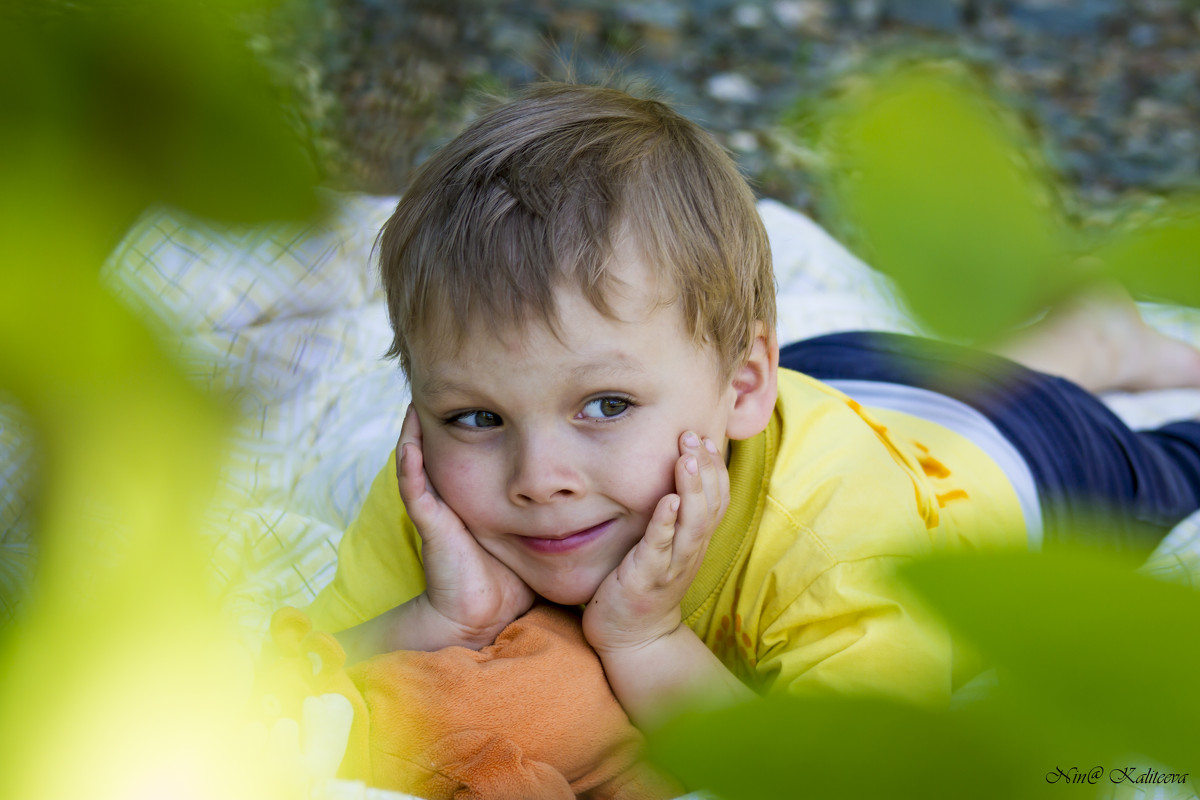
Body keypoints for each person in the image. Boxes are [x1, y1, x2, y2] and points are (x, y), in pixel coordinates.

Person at [306, 82, 1200, 727]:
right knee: (939, 376)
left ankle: (1085, 361)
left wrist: (649, 641)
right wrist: (435, 621)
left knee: (1164, 462)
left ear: (742, 386)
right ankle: (1089, 338)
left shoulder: (843, 539)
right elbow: (284, 680)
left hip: (1025, 454)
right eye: (476, 417)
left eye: (606, 405)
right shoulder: (444, 501)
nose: (538, 480)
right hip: (836, 374)